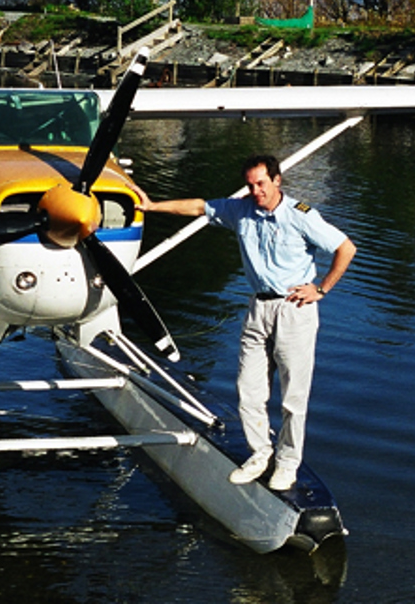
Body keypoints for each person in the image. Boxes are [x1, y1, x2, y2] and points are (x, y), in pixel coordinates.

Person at [135, 154, 356, 491]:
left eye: (262, 184)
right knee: (249, 389)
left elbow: (345, 248)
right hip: (258, 309)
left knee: (292, 396)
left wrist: (321, 289)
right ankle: (259, 453)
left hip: (293, 309)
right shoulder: (240, 210)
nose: (256, 191)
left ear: (277, 181)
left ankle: (287, 463)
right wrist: (151, 207)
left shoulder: (301, 217)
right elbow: (197, 207)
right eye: (251, 185)